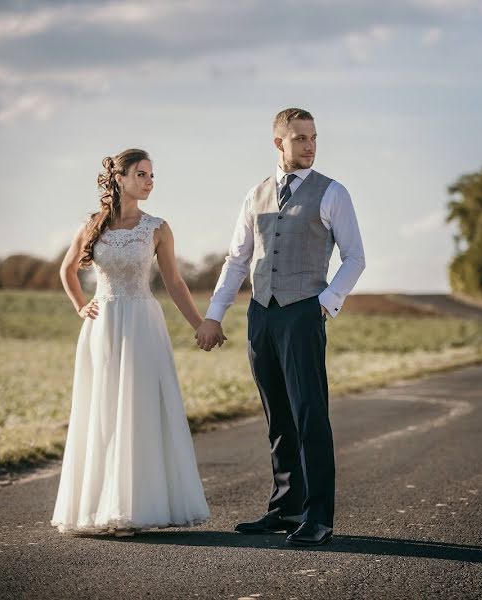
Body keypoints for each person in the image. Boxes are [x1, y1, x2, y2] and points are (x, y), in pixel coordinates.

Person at [195, 108, 365, 546]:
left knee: (310, 413)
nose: (310, 145)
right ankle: (286, 508)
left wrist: (325, 305)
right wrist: (215, 314)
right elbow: (237, 259)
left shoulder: (333, 193)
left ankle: (318, 517)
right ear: (279, 143)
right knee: (278, 416)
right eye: (300, 138)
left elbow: (355, 258)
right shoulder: (255, 195)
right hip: (261, 314)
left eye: (313, 138)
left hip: (304, 311)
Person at [51, 149, 211, 536]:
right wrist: (80, 306)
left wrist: (201, 324)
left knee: (138, 409)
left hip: (143, 323)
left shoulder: (157, 227)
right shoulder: (92, 226)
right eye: (141, 174)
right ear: (119, 178)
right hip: (102, 325)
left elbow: (175, 283)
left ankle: (137, 506)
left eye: (152, 176)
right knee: (104, 408)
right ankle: (101, 507)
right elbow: (67, 269)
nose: (149, 182)